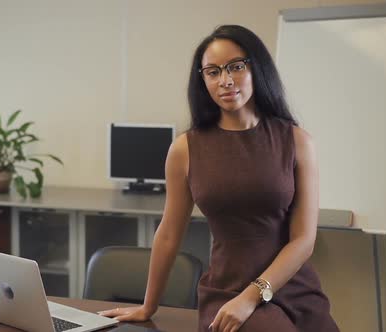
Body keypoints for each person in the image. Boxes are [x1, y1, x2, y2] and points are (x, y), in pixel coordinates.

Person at [99, 25, 338, 332]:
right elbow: (169, 233)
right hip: (227, 291)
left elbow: (303, 241)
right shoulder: (186, 148)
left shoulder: (298, 141)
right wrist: (148, 305)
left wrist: (253, 296)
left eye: (236, 67)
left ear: (258, 68)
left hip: (293, 288)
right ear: (203, 80)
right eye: (212, 72)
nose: (225, 80)